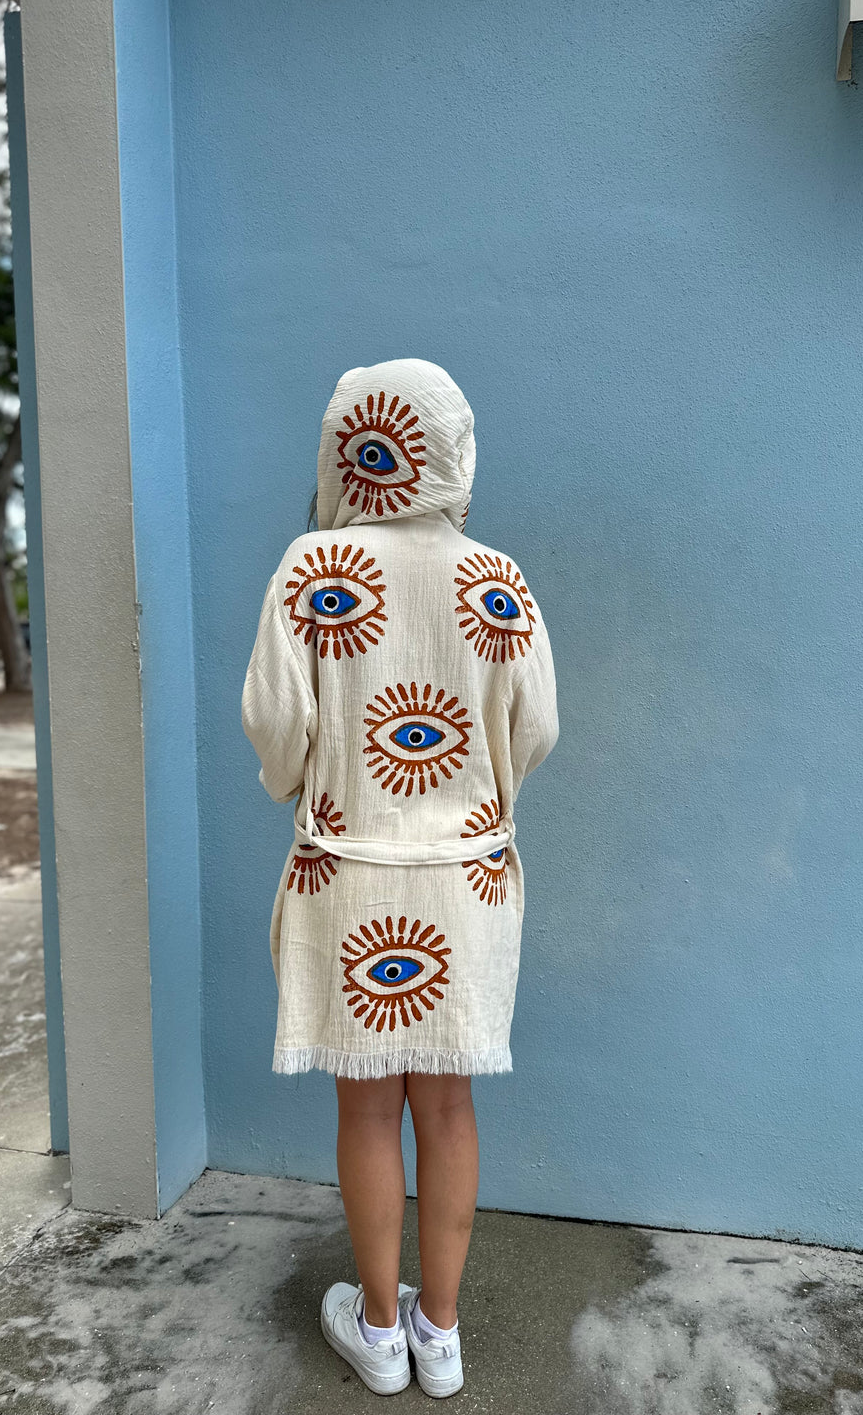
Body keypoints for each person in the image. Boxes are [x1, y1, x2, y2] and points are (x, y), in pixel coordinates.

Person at [241, 357, 559, 1397]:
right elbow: (538, 730)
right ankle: (443, 1330)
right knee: (452, 1107)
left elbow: (277, 726)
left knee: (368, 1111)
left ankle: (378, 1333)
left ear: (352, 446)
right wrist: (481, 795)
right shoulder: (498, 579)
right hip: (467, 882)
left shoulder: (310, 564)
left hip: (352, 875)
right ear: (454, 449)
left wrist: (309, 782)